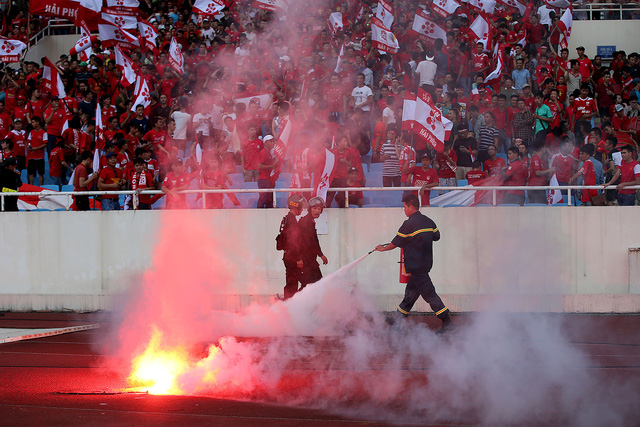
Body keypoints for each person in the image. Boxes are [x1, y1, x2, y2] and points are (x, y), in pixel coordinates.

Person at [374, 194, 454, 334]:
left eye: (404, 207)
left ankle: (447, 322)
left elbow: (395, 243)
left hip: (417, 268)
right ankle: (398, 321)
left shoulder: (408, 224)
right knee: (410, 295)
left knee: (430, 295)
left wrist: (382, 249)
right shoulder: (429, 222)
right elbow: (437, 236)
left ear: (411, 207)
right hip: (424, 265)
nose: (403, 210)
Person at [276, 194, 305, 300]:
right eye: (301, 207)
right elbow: (293, 242)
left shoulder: (286, 219)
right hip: (292, 257)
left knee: (291, 281)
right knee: (293, 284)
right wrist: (298, 259)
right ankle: (289, 305)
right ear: (297, 207)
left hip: (287, 255)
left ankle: (288, 303)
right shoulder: (292, 221)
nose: (302, 210)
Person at [297, 196, 329, 289]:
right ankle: (293, 303)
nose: (317, 211)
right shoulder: (306, 222)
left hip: (309, 259)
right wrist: (321, 255)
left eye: (319, 209)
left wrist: (320, 255)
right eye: (315, 208)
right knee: (314, 284)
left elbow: (314, 240)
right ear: (310, 209)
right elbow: (311, 241)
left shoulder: (310, 221)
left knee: (310, 285)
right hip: (305, 260)